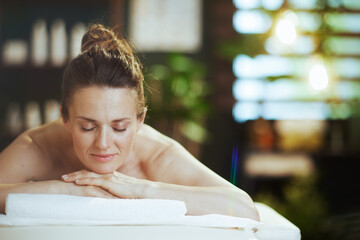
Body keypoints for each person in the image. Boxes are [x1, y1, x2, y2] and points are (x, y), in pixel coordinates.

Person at [0, 24, 259, 221]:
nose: (103, 143)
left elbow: (244, 208)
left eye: (120, 127)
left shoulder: (157, 155)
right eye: (88, 127)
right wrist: (67, 191)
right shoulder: (40, 146)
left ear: (140, 120)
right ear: (65, 118)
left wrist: (138, 189)